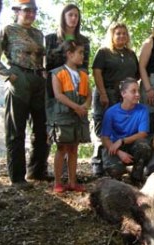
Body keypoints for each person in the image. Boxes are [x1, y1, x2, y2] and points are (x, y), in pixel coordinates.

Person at [0, 0, 49, 188]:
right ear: (18, 11)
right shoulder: (8, 30)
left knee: (42, 129)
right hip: (18, 80)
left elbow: (41, 57)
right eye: (27, 10)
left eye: (34, 11)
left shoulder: (38, 33)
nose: (30, 14)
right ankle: (17, 178)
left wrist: (43, 73)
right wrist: (9, 75)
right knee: (16, 131)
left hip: (37, 81)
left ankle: (37, 171)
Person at [45, 3, 90, 178]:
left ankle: (70, 178)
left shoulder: (84, 40)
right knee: (59, 135)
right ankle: (51, 174)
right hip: (57, 88)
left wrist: (84, 102)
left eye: (76, 16)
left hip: (77, 89)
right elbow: (47, 66)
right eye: (70, 15)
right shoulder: (51, 38)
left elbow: (84, 66)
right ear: (64, 16)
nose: (73, 18)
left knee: (73, 140)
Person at [91, 23, 139, 176]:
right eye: (118, 33)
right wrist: (103, 93)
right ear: (112, 35)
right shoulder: (104, 52)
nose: (122, 36)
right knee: (102, 127)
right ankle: (97, 162)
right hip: (106, 93)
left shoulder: (131, 54)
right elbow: (97, 73)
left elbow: (136, 75)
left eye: (124, 33)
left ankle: (114, 160)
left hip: (122, 96)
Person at [50, 40, 91, 193]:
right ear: (69, 54)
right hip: (63, 116)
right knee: (62, 148)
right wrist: (76, 107)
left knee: (74, 148)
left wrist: (85, 106)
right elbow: (58, 95)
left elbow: (89, 95)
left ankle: (73, 182)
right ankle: (58, 182)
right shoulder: (58, 73)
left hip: (79, 117)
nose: (82, 56)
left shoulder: (84, 74)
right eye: (80, 53)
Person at [101, 77, 151, 183]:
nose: (137, 94)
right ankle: (116, 173)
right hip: (115, 148)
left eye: (138, 91)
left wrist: (122, 140)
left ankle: (136, 177)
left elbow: (143, 133)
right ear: (123, 94)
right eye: (133, 91)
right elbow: (105, 138)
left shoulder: (143, 109)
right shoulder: (111, 112)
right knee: (115, 171)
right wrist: (119, 152)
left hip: (131, 144)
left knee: (144, 146)